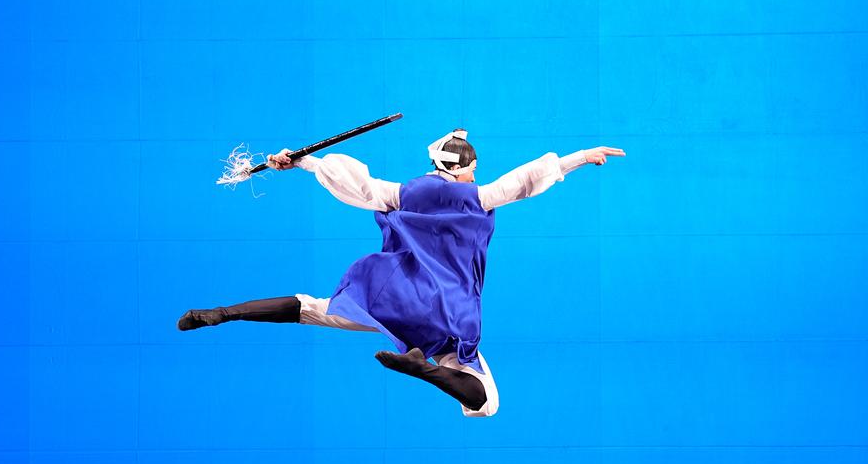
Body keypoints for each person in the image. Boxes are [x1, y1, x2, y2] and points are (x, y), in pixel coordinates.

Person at [178, 129, 624, 416]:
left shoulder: (401, 194)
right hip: (446, 317)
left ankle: (222, 313)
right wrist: (581, 156)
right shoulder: (479, 197)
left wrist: (303, 162)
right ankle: (424, 369)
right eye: (472, 169)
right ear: (464, 168)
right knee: (486, 401)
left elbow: (356, 185)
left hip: (393, 303)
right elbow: (525, 181)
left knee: (311, 308)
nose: (474, 176)